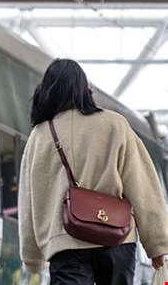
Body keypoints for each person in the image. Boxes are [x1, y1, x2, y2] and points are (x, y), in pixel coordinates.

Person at [19, 58, 168, 284]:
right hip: (116, 239)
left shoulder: (39, 136)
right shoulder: (115, 125)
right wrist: (156, 243)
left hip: (66, 243)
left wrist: (32, 258)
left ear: (47, 91)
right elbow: (142, 185)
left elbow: (29, 201)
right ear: (84, 89)